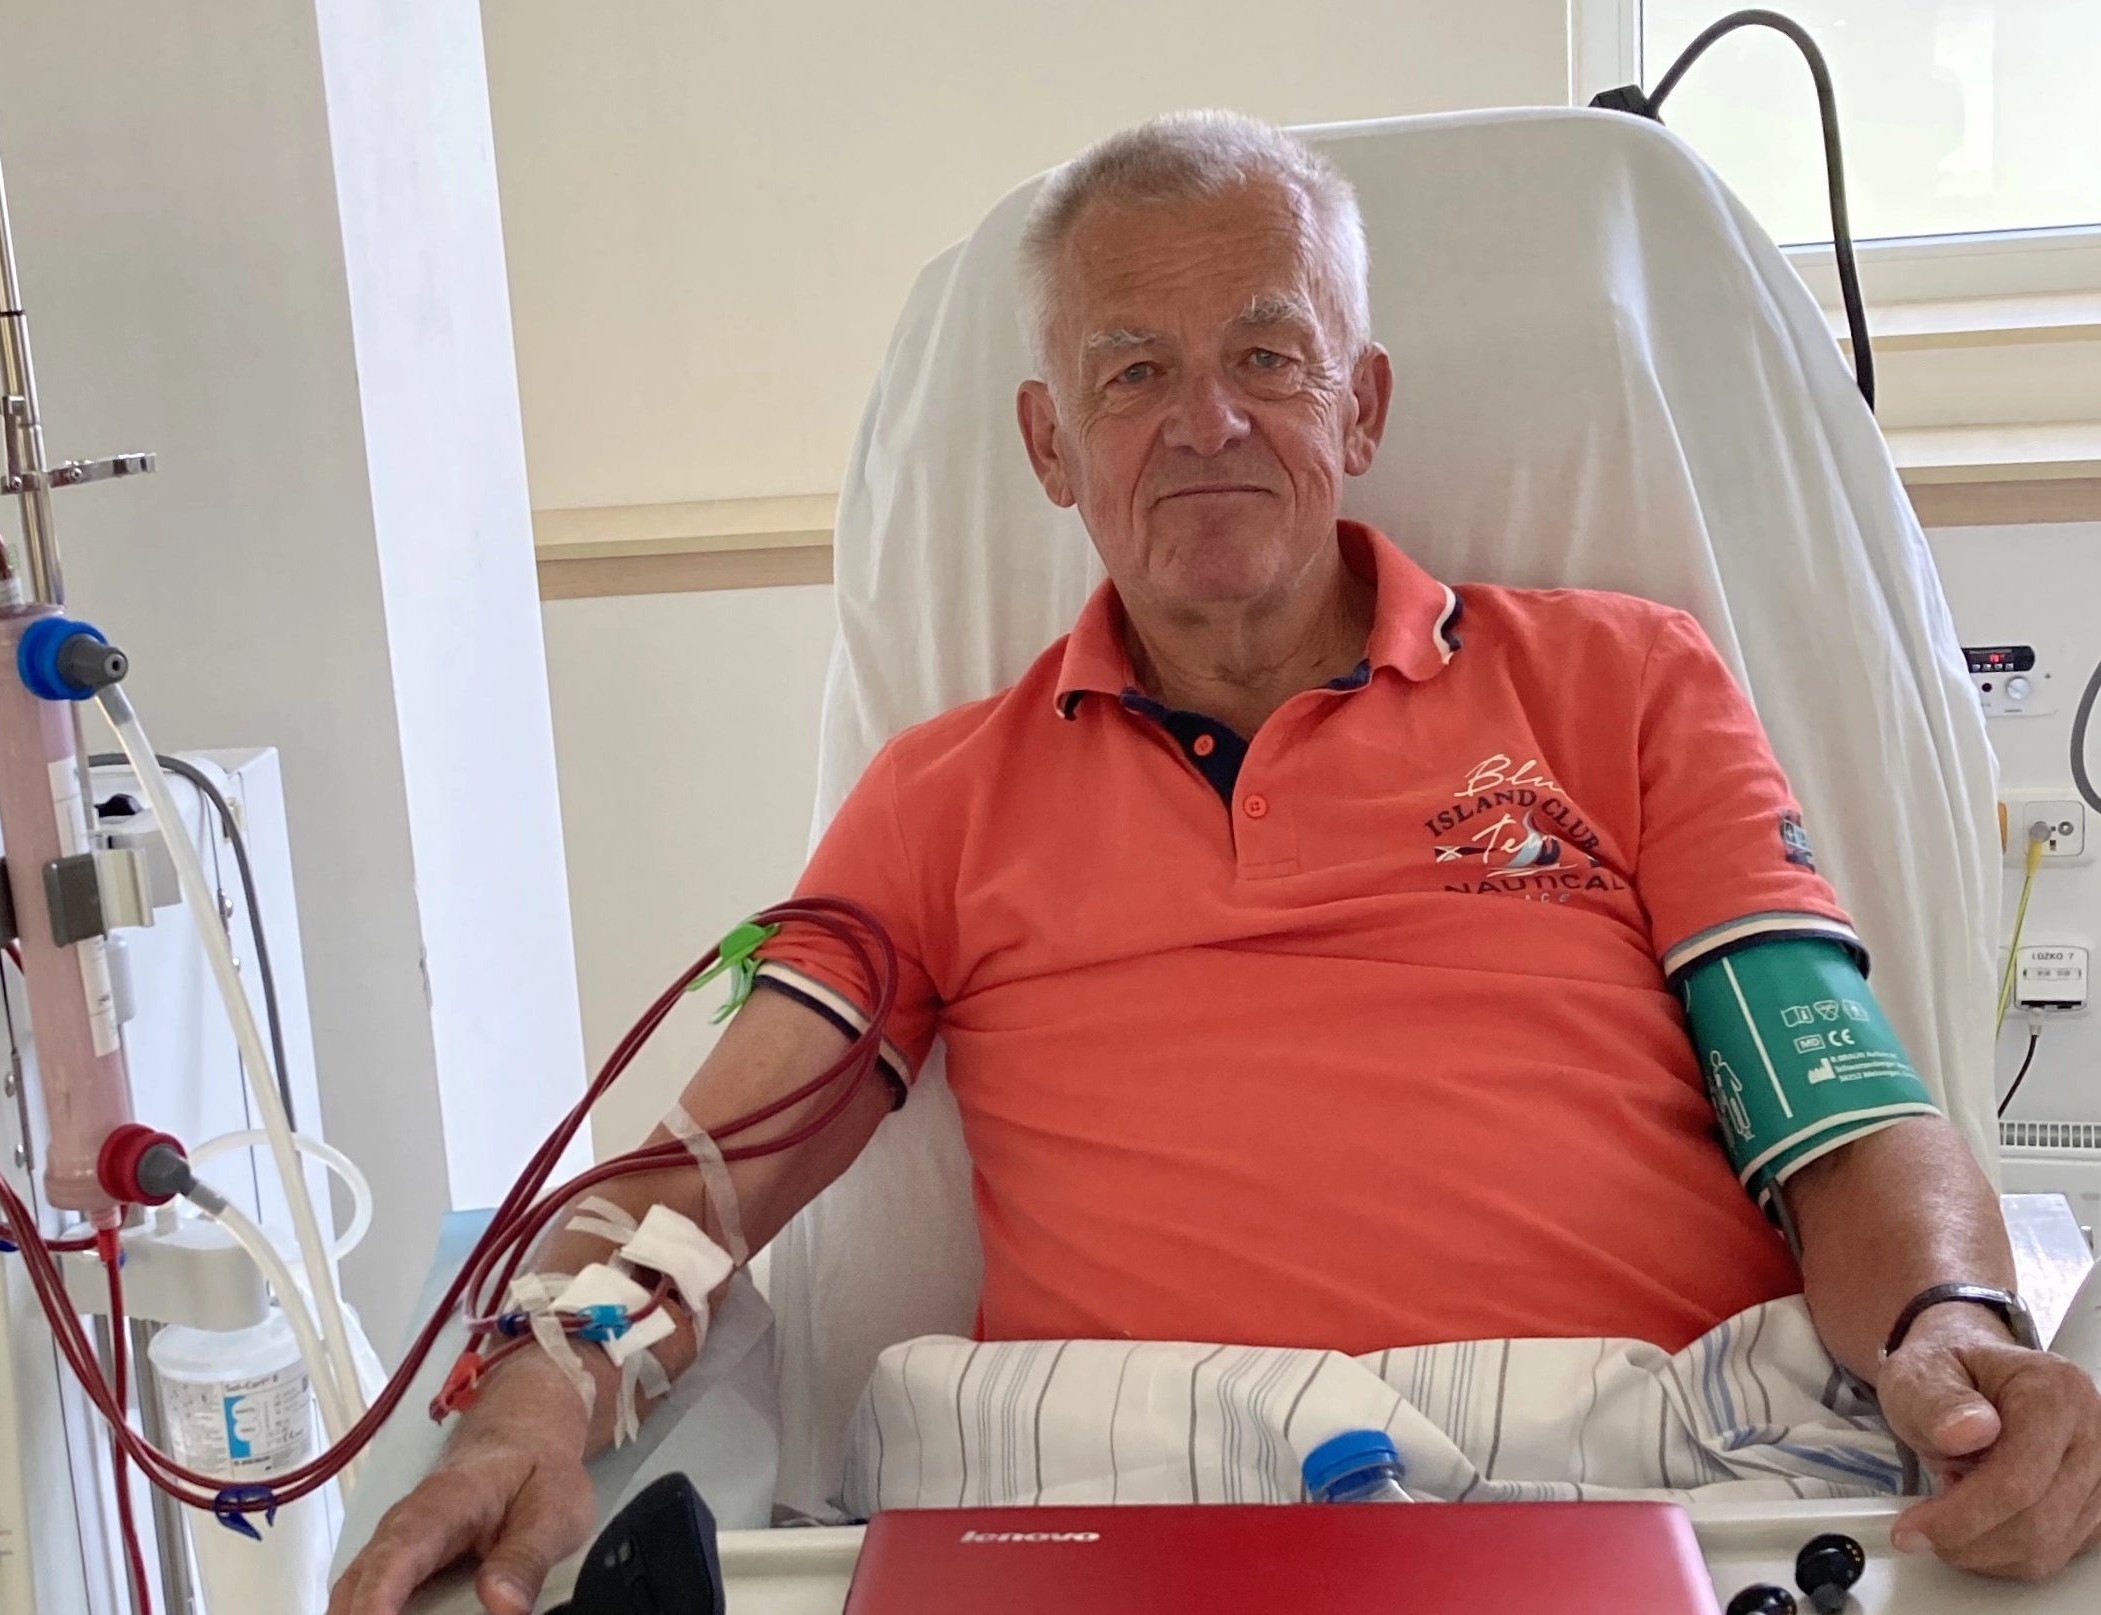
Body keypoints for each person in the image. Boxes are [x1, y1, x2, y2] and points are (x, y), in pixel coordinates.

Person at [329, 111, 2101, 1614]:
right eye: (1132, 373)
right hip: (1113, 1491)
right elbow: (709, 1181)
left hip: (1637, 1474)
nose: (1208, 422)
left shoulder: (1625, 683)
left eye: (1268, 357)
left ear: (1363, 407)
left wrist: (1951, 1324)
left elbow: (1834, 1105)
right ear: (1049, 445)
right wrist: (535, 1393)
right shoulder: (937, 797)